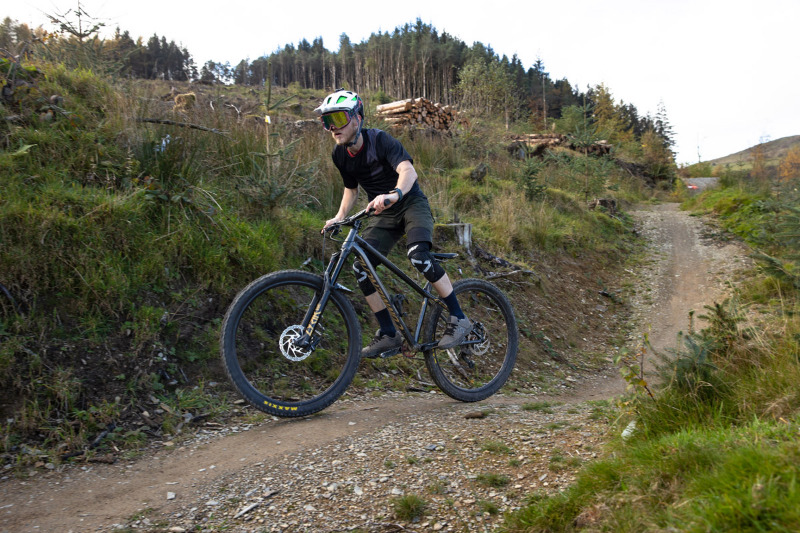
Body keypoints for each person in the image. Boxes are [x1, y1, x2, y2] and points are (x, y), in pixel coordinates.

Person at [316, 88, 471, 358]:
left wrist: (395, 193)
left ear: (357, 118)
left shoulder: (380, 141)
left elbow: (407, 170)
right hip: (384, 215)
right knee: (360, 267)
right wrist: (339, 217)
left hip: (411, 204)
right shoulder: (340, 155)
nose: (333, 128)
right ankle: (389, 334)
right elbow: (351, 189)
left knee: (418, 256)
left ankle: (459, 318)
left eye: (338, 119)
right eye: (327, 121)